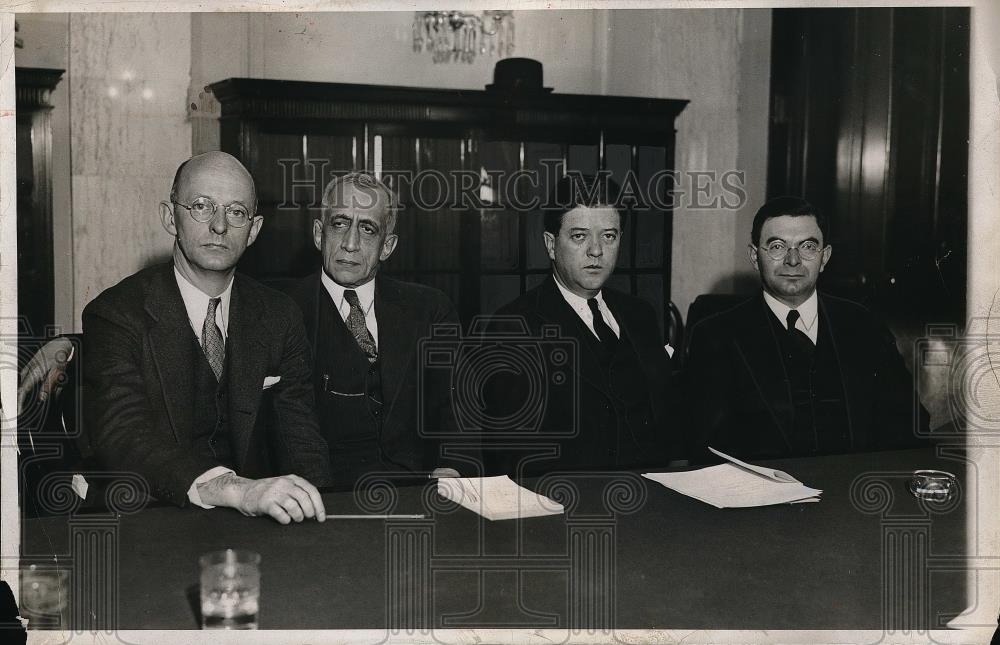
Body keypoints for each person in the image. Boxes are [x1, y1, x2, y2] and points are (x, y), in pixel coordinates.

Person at [81, 151, 332, 523]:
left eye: (235, 212)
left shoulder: (279, 314)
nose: (219, 226)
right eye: (201, 206)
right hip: (149, 520)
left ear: (255, 229)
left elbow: (301, 439)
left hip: (254, 527)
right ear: (170, 218)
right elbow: (124, 435)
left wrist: (316, 514)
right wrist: (235, 489)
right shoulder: (117, 313)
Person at [684, 196, 930, 463]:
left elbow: (908, 424)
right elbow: (704, 446)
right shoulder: (716, 335)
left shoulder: (863, 325)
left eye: (808, 247)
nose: (793, 260)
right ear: (755, 257)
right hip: (761, 496)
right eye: (777, 246)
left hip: (853, 489)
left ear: (824, 258)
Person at [484, 174, 680, 476]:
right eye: (579, 236)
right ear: (551, 245)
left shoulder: (639, 314)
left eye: (609, 236)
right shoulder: (514, 326)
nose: (596, 251)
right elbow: (511, 453)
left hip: (652, 496)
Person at [289, 172, 469, 489]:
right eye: (340, 223)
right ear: (319, 234)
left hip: (419, 490)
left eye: (367, 229)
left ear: (387, 246)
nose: (350, 243)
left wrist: (452, 471)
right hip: (325, 497)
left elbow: (456, 409)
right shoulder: (283, 311)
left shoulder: (429, 309)